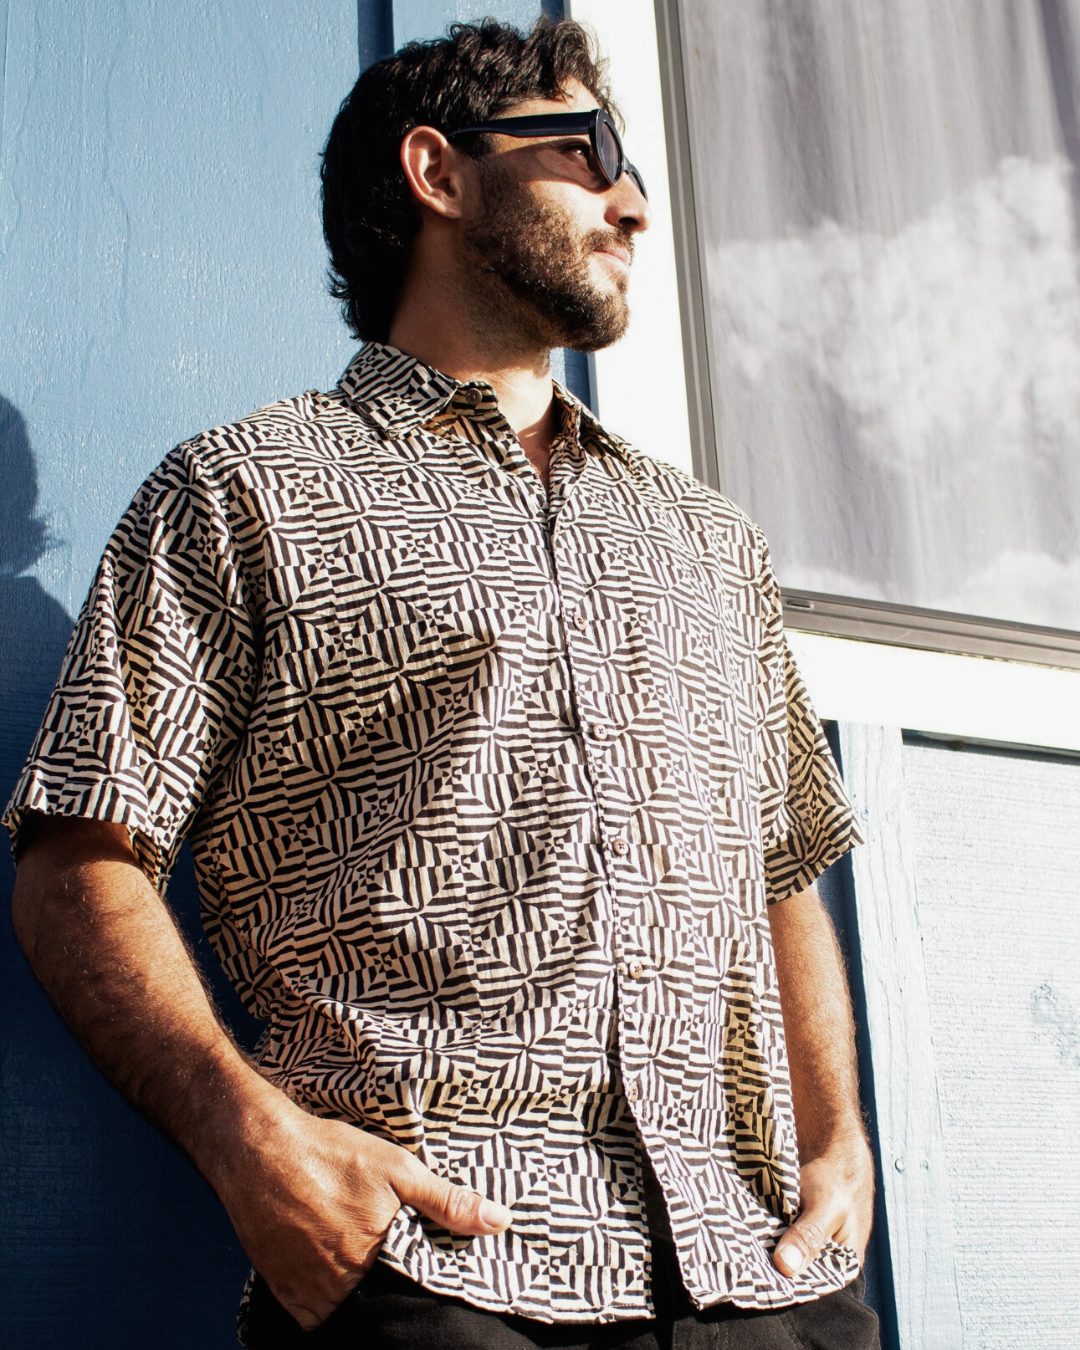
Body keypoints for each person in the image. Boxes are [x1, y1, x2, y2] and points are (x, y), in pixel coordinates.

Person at [8, 17, 878, 1350]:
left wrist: (840, 1141)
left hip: (759, 1278)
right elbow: (80, 861)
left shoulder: (709, 538)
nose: (633, 201)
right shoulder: (244, 492)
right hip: (436, 1276)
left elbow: (782, 864)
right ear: (439, 171)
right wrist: (253, 1144)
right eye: (590, 151)